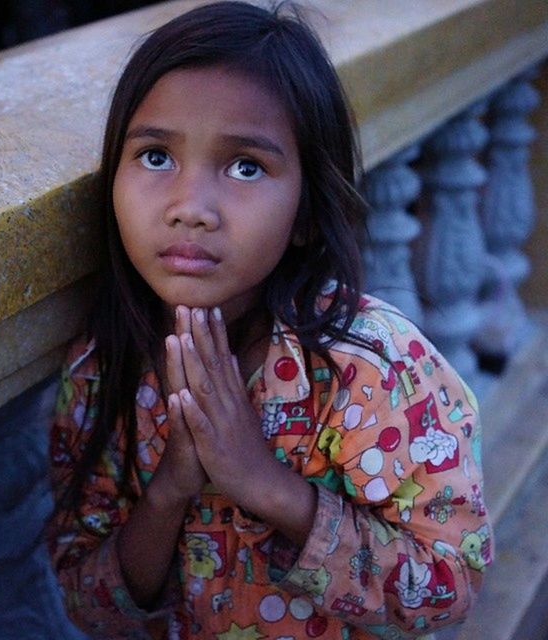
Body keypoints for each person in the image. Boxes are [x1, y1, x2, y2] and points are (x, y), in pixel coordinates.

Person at [46, 3, 493, 639]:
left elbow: (447, 590)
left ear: (308, 212)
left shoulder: (372, 369)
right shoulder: (100, 369)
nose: (190, 208)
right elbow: (88, 605)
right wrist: (171, 487)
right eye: (154, 156)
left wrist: (262, 483)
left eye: (246, 166)